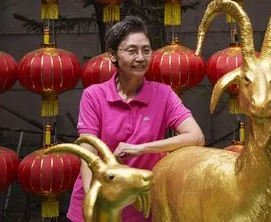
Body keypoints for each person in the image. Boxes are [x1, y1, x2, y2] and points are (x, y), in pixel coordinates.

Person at [67, 15, 205, 222]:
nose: (141, 57)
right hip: (97, 209)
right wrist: (93, 200)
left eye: (146, 50)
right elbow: (88, 155)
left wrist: (141, 148)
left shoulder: (163, 94)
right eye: (132, 51)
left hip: (142, 210)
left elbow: (196, 137)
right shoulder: (94, 95)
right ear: (112, 55)